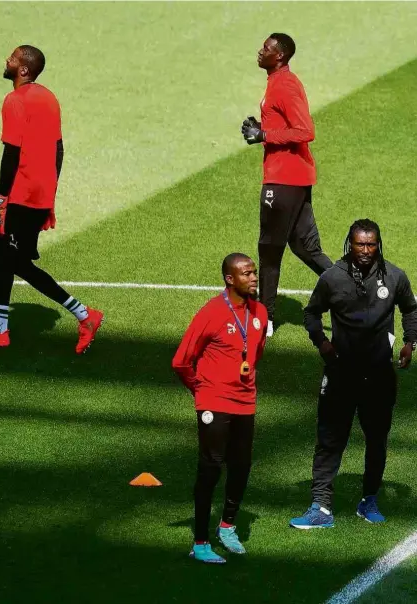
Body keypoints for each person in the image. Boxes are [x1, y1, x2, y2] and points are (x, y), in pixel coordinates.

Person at [0, 46, 103, 354]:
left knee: (10, 254)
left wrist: (0, 201)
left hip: (22, 194)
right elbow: (58, 147)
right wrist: (50, 190)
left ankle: (83, 314)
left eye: (12, 58)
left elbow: (11, 153)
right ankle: (2, 328)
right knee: (10, 255)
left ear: (23, 69)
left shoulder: (15, 101)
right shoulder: (49, 98)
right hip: (41, 193)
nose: (7, 61)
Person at [290, 219, 417, 529]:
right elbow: (311, 313)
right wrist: (321, 343)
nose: (365, 250)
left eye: (370, 244)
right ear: (350, 244)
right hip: (340, 374)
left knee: (377, 441)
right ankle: (321, 506)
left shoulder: (395, 276)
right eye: (359, 244)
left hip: (378, 376)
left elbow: (410, 308)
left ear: (378, 244)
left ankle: (369, 499)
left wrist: (410, 342)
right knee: (330, 441)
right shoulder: (333, 278)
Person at [172, 253, 268, 563]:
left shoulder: (260, 313)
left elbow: (255, 355)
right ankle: (200, 542)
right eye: (246, 274)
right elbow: (181, 361)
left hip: (245, 400)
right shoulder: (211, 313)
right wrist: (201, 391)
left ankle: (227, 525)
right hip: (214, 400)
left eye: (254, 272)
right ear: (229, 279)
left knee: (241, 465)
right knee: (211, 466)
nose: (253, 278)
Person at [241, 33, 332, 337]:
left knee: (269, 248)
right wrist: (260, 129)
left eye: (266, 49)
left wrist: (265, 136)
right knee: (305, 248)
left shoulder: (285, 84)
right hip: (294, 176)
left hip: (284, 179)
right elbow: (284, 126)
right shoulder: (276, 82)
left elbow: (305, 130)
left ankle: (263, 320)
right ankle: (358, 292)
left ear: (279, 56)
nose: (260, 51)